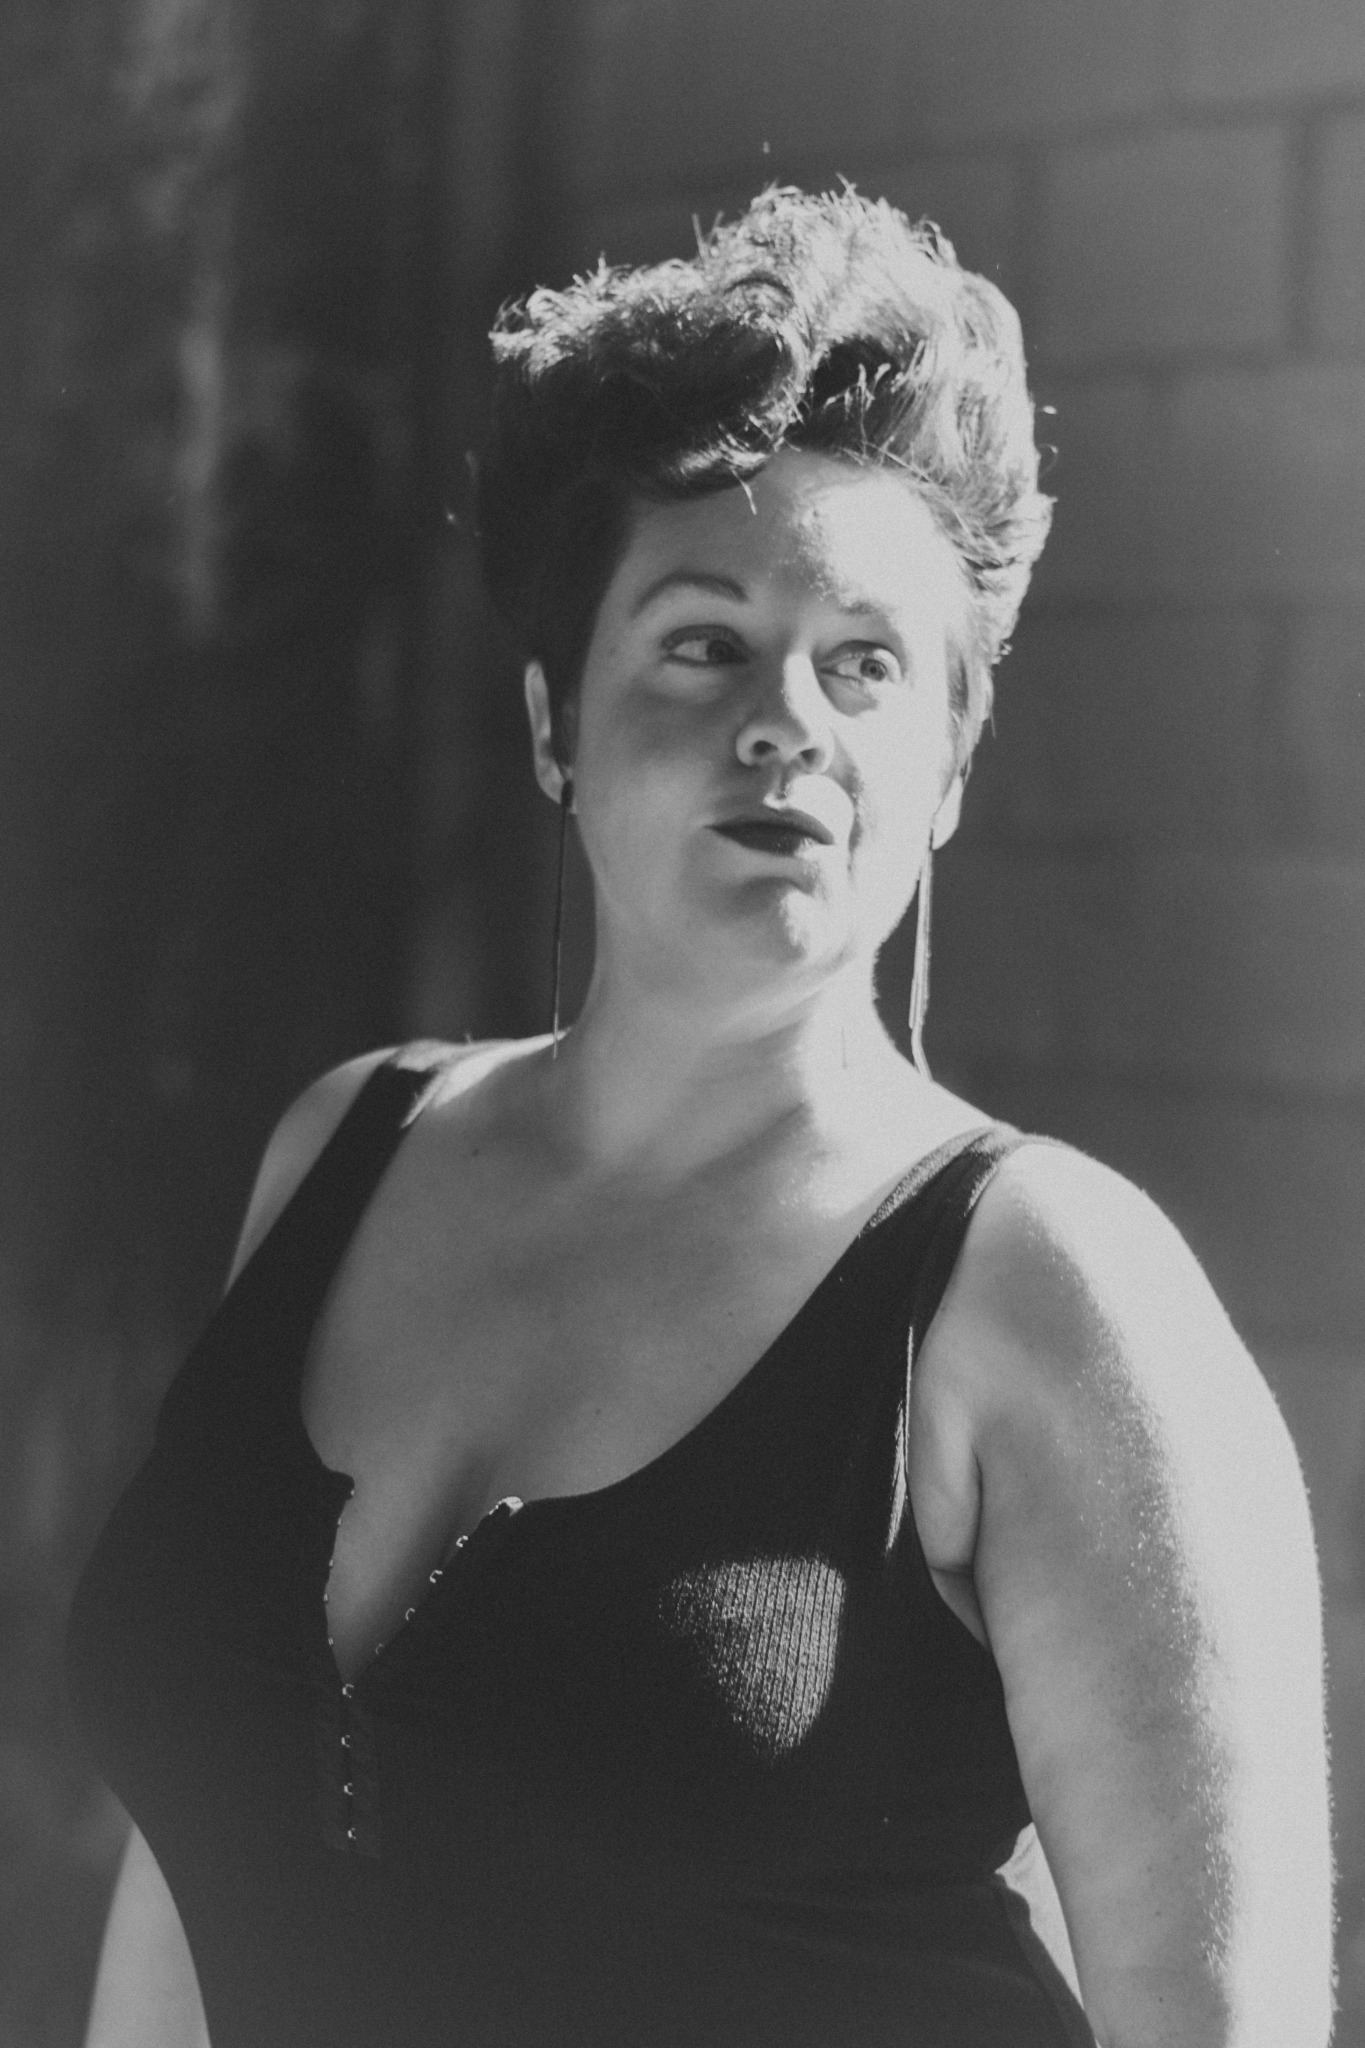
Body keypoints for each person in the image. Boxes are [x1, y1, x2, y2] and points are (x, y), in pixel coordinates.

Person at [68, 187, 1332, 2048]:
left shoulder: (1043, 1292)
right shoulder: (341, 1155)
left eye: (864, 662)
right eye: (699, 641)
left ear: (947, 767)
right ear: (551, 727)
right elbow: (198, 1869)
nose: (785, 721)